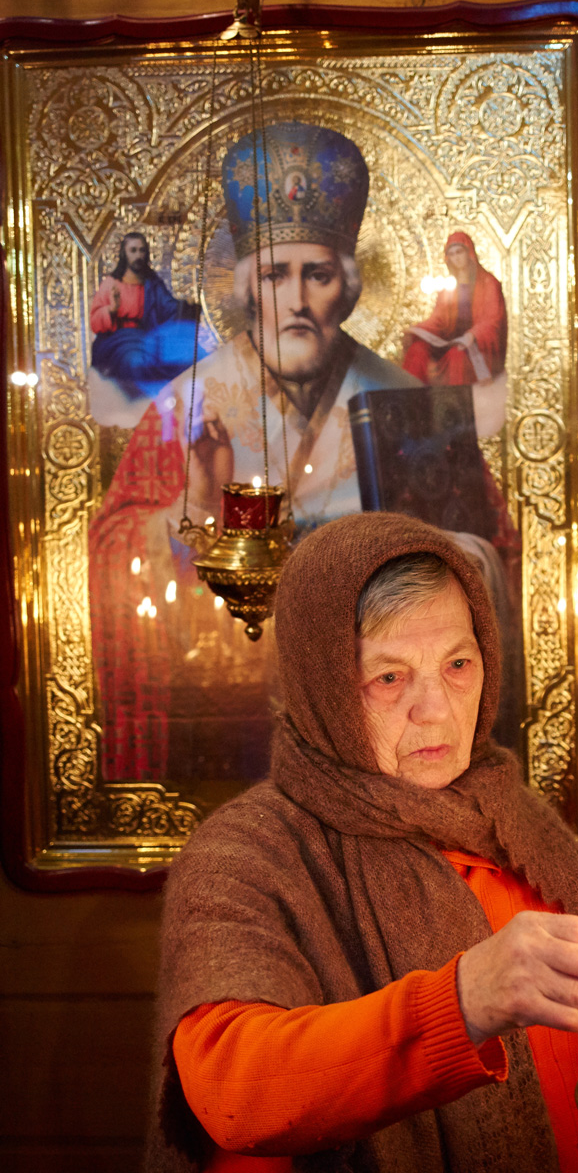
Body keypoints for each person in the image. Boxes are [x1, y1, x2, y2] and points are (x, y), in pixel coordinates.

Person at [147, 511, 578, 1173]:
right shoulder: (247, 853)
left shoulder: (522, 827)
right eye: (389, 677)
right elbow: (233, 1087)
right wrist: (465, 1001)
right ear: (324, 688)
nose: (435, 708)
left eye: (457, 664)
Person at [88, 124, 512, 783]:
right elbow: (115, 552)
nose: (295, 299)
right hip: (232, 722)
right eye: (273, 274)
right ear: (246, 288)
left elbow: (493, 549)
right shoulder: (187, 405)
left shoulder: (407, 400)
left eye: (316, 274)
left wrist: (444, 556)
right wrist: (196, 504)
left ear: (346, 286)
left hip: (384, 725)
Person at [89, 231, 203, 424]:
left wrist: (187, 307)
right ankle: (134, 409)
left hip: (146, 338)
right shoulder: (111, 284)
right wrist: (111, 309)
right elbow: (95, 321)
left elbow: (168, 308)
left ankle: (163, 411)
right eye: (133, 250)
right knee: (135, 361)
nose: (138, 255)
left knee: (179, 359)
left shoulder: (152, 283)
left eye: (142, 250)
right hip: (117, 342)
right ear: (124, 254)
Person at [402, 232, 507, 386]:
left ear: (469, 253)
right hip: (449, 342)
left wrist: (473, 334)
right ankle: (410, 395)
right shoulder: (449, 285)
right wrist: (417, 330)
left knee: (456, 355)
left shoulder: (489, 283)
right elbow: (439, 319)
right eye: (451, 254)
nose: (456, 258)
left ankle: (455, 399)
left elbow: (493, 320)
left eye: (459, 252)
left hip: (475, 346)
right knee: (417, 350)